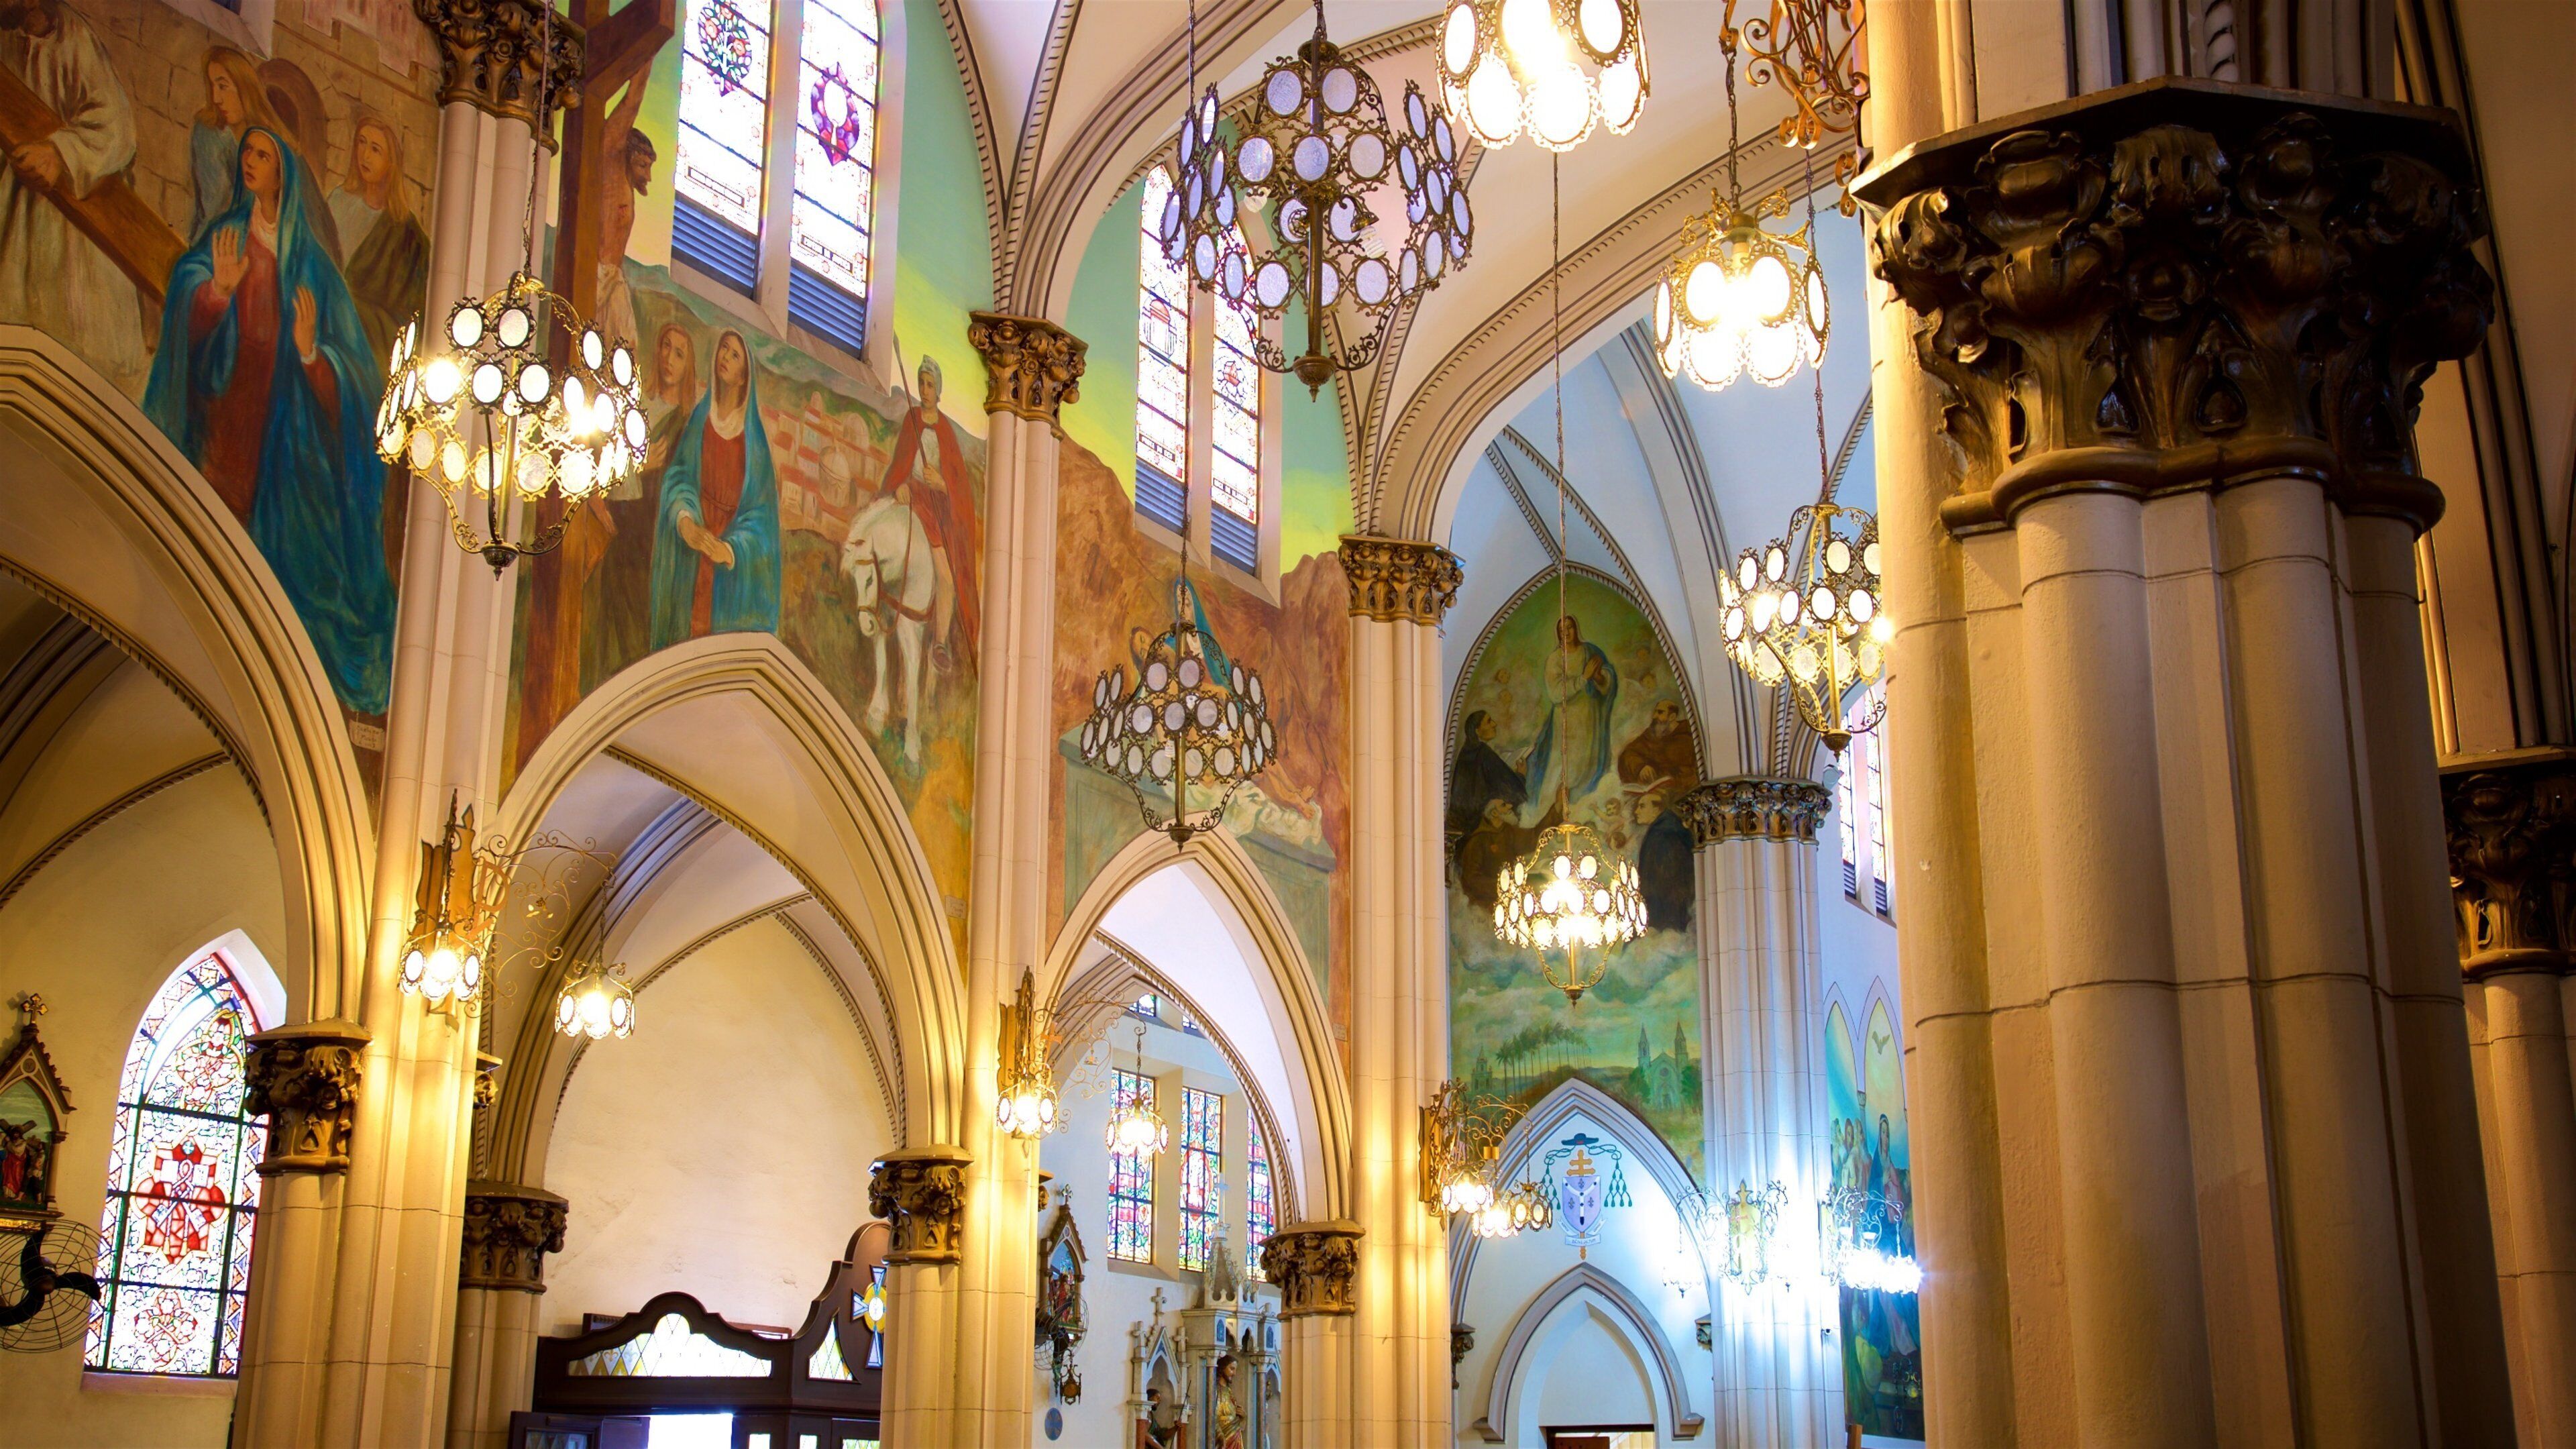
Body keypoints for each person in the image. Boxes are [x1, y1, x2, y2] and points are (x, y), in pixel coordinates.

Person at [144, 127, 395, 716]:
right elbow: (186, 297)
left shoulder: (315, 270)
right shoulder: (225, 236)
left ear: (285, 173)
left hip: (287, 439)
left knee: (287, 570)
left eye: (263, 155)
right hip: (227, 415)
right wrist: (213, 294)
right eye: (247, 154)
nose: (250, 163)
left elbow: (363, 382)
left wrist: (312, 356)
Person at [0, 0, 146, 392]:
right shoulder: (7, 38)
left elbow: (117, 131)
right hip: (13, 210)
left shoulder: (73, 39)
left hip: (70, 224)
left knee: (74, 344)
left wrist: (60, 153)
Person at [649, 329, 780, 648]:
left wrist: (731, 550)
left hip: (725, 565)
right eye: (724, 349)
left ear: (743, 377)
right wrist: (685, 521)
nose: (725, 357)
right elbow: (680, 477)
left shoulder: (755, 441)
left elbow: (761, 519)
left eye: (735, 355)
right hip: (692, 552)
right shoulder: (700, 419)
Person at [877, 356, 981, 660]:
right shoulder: (912, 420)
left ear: (939, 391)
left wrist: (943, 485)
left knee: (945, 576)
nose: (924, 390)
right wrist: (901, 485)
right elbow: (900, 465)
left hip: (935, 509)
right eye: (921, 383)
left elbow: (959, 486)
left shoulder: (946, 432)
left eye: (930, 385)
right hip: (911, 496)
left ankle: (940, 641)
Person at [327, 110, 427, 366]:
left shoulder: (406, 234)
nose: (365, 155)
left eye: (375, 149)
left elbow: (409, 313)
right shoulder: (339, 201)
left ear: (391, 162)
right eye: (361, 143)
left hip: (364, 344)